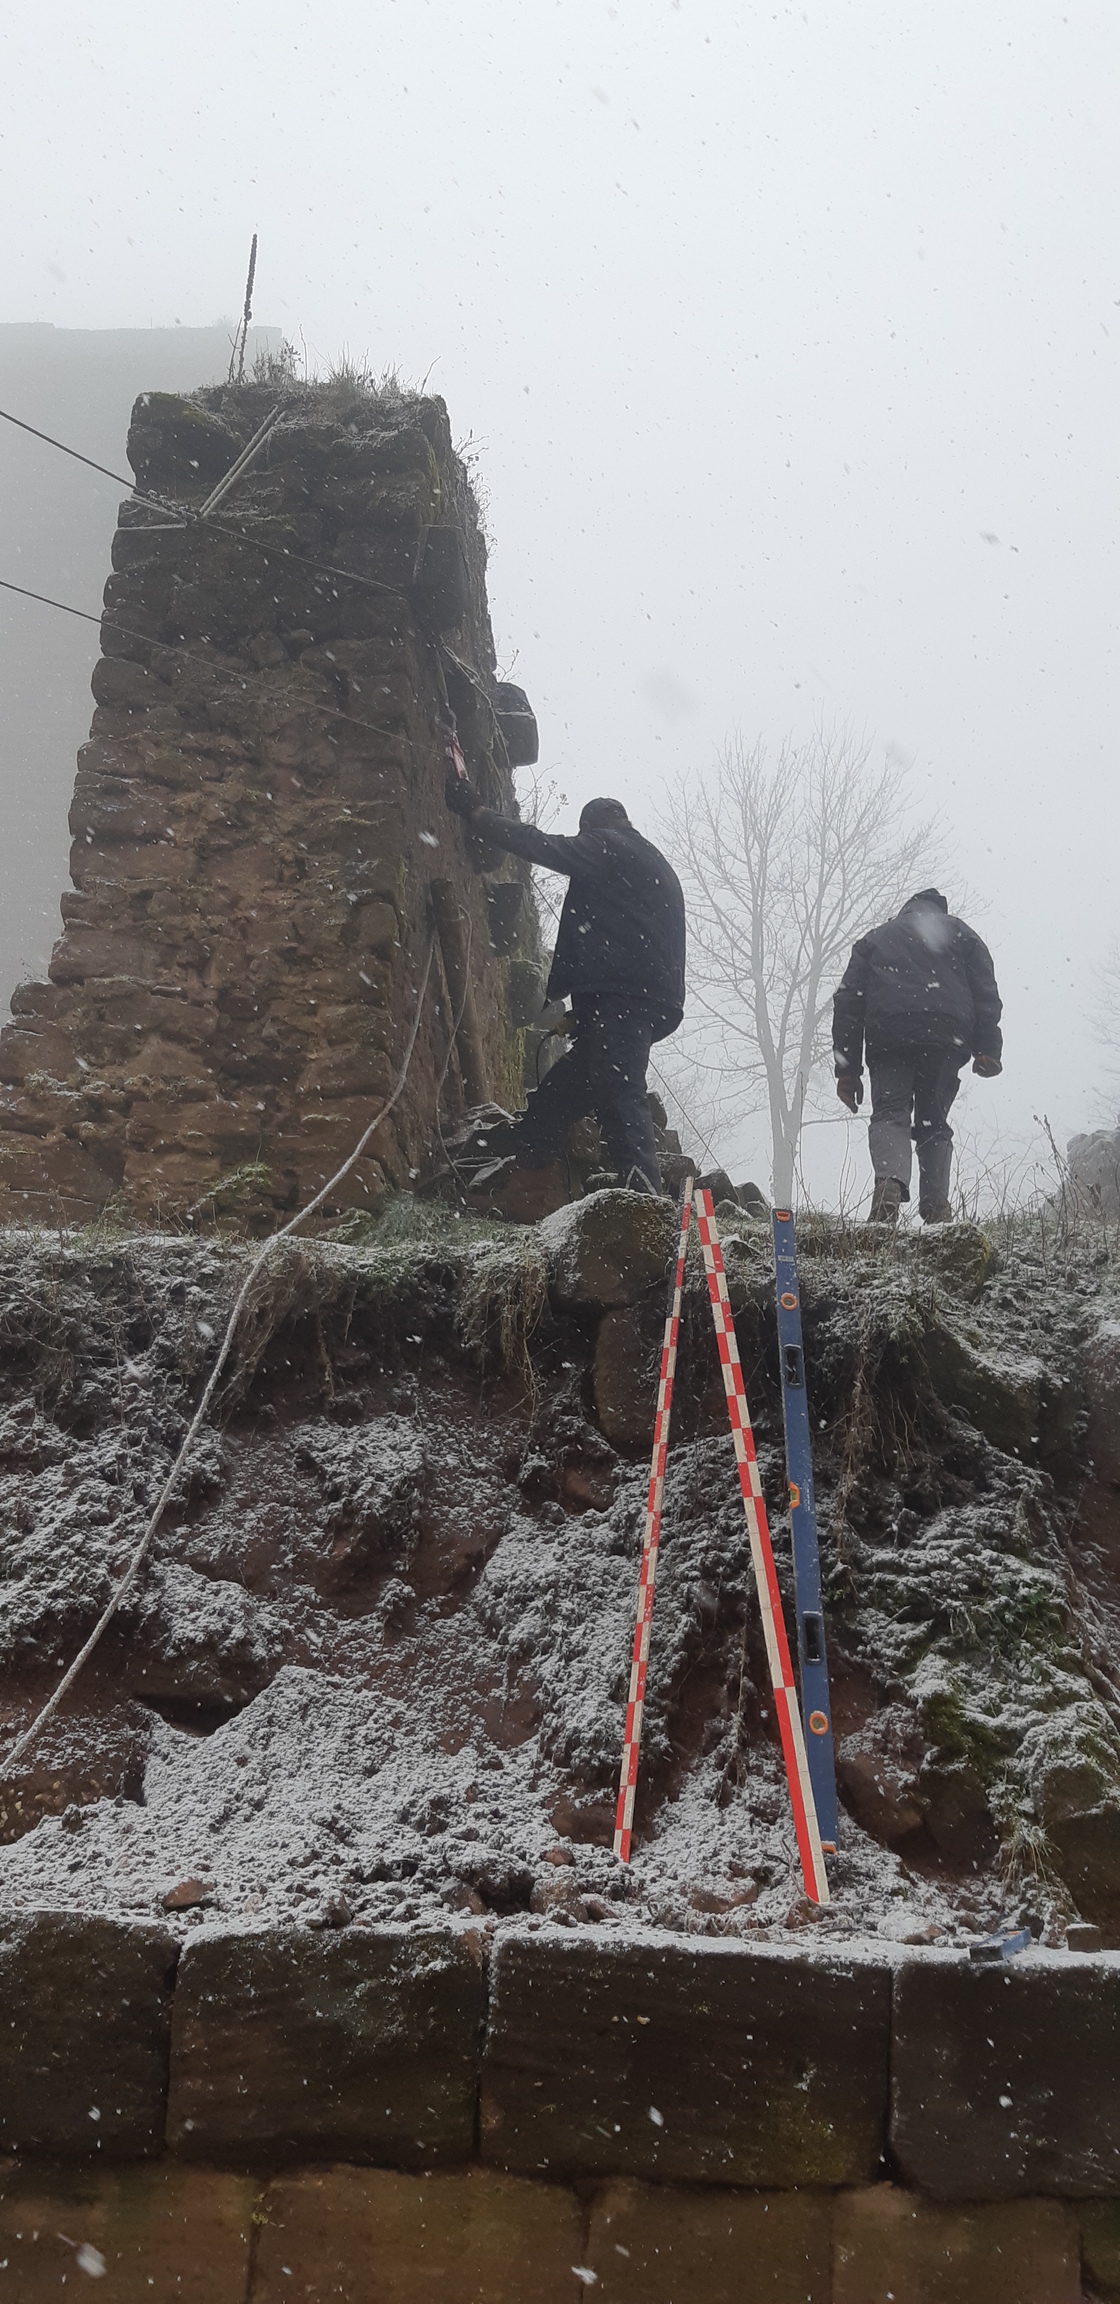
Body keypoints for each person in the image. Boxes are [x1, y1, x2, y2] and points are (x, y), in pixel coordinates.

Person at [444, 775, 685, 1193]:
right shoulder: (652, 861)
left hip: (623, 999)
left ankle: (645, 1202)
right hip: (637, 999)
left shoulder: (608, 845)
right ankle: (527, 1179)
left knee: (620, 1093)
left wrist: (478, 814)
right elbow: (630, 935)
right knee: (559, 1095)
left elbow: (541, 845)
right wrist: (589, 1007)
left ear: (589, 828)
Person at [831, 887, 1002, 1223]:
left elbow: (848, 1001)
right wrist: (987, 1048)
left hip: (889, 1035)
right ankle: (937, 1206)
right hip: (946, 1035)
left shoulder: (876, 938)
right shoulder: (962, 934)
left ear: (906, 909)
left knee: (890, 1111)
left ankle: (889, 1186)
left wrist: (848, 1070)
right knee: (933, 1120)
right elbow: (985, 993)